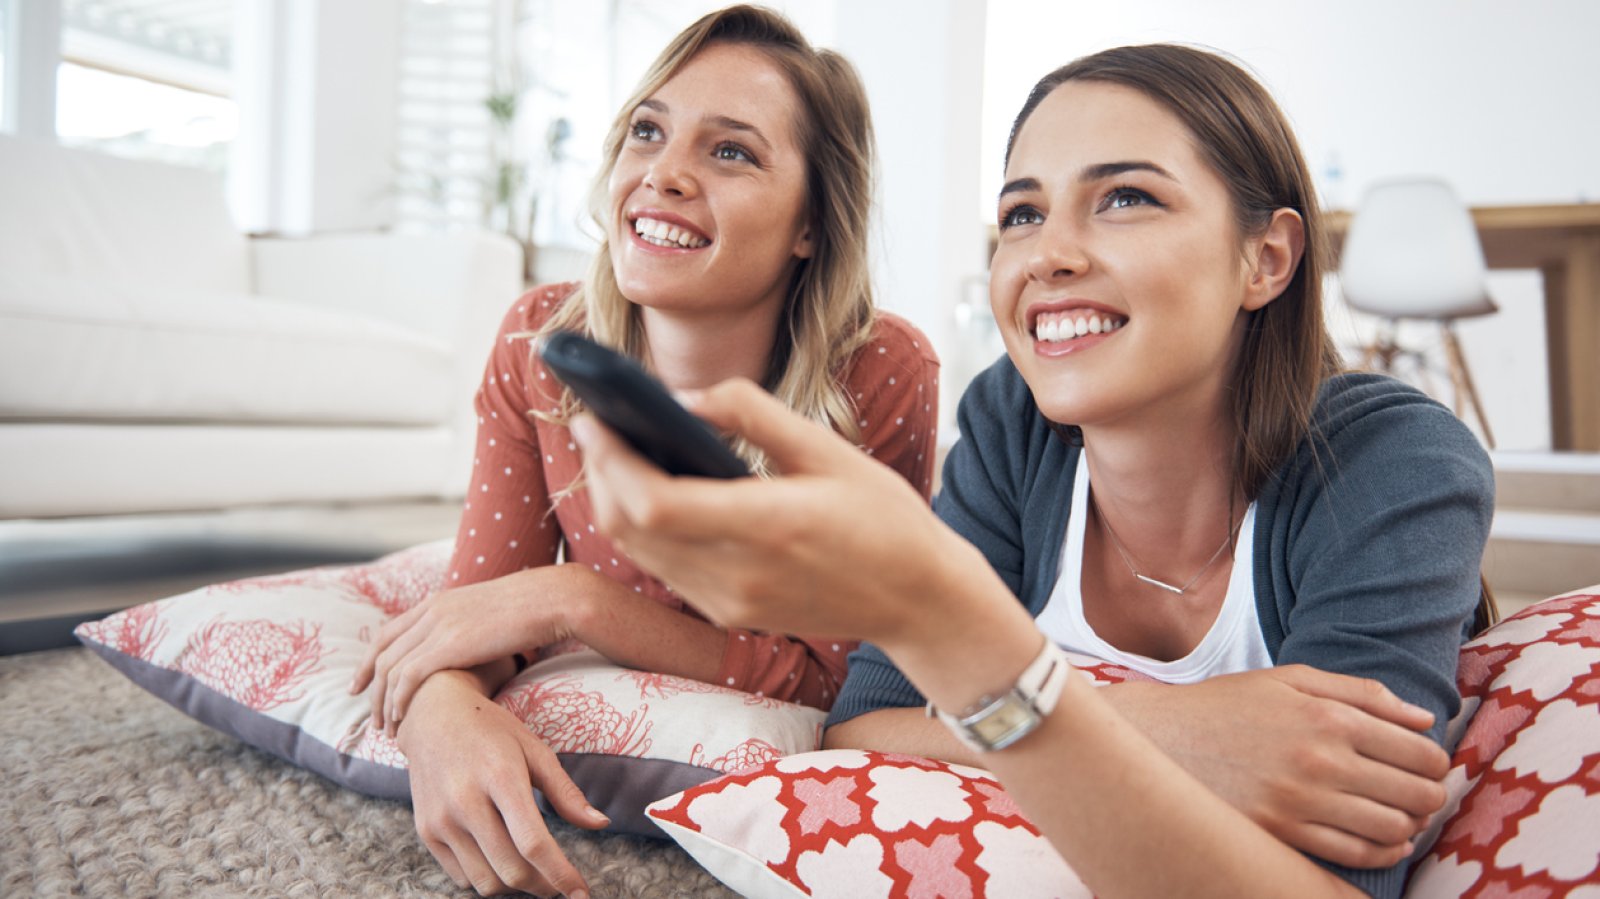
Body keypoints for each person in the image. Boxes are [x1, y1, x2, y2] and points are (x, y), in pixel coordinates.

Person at [575, 43, 1494, 899]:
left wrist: (977, 659)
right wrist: (1179, 729)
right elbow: (865, 728)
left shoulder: (1389, 464)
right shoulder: (1013, 426)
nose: (1049, 255)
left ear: (1267, 257)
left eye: (1127, 198)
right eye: (1022, 213)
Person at [347, 7, 940, 896]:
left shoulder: (882, 372)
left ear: (810, 222)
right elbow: (474, 612)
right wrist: (440, 704)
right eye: (647, 132)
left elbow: (832, 682)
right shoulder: (537, 339)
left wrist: (571, 600)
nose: (663, 173)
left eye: (730, 150)